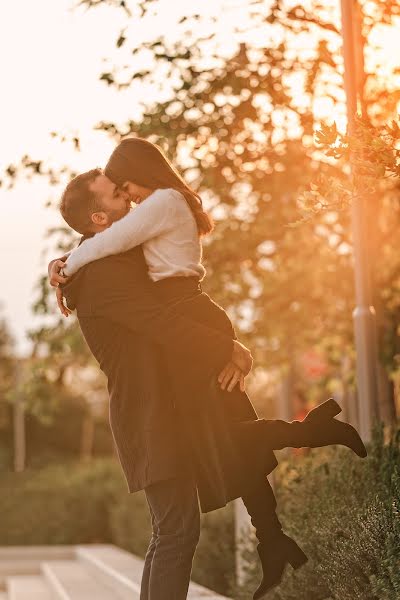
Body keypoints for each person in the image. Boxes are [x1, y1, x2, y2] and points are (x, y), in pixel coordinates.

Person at [50, 139, 367, 600]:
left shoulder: (110, 256)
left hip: (164, 406)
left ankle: (277, 523)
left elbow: (120, 253)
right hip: (150, 416)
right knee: (176, 531)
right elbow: (156, 319)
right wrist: (229, 347)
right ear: (100, 218)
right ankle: (309, 440)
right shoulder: (102, 275)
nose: (128, 198)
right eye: (117, 196)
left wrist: (61, 264)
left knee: (186, 512)